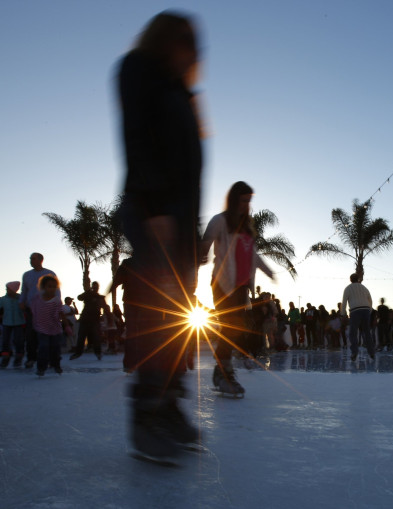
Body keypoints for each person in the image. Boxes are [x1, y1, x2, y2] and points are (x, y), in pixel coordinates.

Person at [117, 11, 204, 460]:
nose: (193, 51)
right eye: (186, 40)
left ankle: (168, 405)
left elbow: (194, 173)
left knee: (177, 321)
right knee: (158, 319)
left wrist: (193, 237)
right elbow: (136, 139)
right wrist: (153, 206)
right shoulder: (138, 69)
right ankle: (146, 413)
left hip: (181, 222)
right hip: (152, 211)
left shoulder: (182, 93)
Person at [200, 181, 275, 395]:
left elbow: (253, 255)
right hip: (223, 283)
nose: (246, 205)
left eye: (249, 201)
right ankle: (224, 372)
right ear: (234, 200)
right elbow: (207, 240)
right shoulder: (221, 221)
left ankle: (222, 370)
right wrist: (203, 251)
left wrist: (269, 271)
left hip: (242, 287)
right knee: (232, 326)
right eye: (243, 200)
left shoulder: (247, 229)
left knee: (235, 326)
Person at [19, 252, 59, 369]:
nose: (31, 261)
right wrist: (21, 301)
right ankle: (31, 358)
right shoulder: (26, 275)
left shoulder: (49, 274)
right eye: (30, 259)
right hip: (31, 309)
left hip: (47, 309)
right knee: (30, 335)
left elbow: (56, 291)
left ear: (41, 260)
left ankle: (52, 360)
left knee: (48, 334)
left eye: (33, 259)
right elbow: (24, 291)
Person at [29, 275, 70, 376]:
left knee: (55, 348)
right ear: (43, 287)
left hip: (55, 329)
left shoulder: (56, 300)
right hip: (42, 329)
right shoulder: (37, 299)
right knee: (43, 347)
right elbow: (33, 311)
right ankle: (41, 368)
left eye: (53, 287)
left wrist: (67, 326)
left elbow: (61, 313)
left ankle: (56, 365)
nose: (51, 289)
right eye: (49, 286)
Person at [340, 273, 374, 361]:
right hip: (366, 310)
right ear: (358, 279)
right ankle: (371, 352)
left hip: (355, 310)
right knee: (367, 332)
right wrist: (369, 310)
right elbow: (370, 300)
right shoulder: (364, 288)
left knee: (353, 332)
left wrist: (343, 313)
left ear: (350, 280)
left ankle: (354, 351)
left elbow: (344, 302)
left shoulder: (348, 288)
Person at [70, 282, 104, 360]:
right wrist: (87, 292)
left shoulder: (99, 297)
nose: (95, 288)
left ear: (98, 288)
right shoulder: (88, 294)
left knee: (96, 337)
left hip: (95, 320)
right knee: (81, 337)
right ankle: (78, 353)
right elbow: (79, 297)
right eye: (94, 287)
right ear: (92, 287)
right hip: (85, 320)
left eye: (96, 287)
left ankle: (98, 353)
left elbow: (103, 306)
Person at [0, 281, 25, 368]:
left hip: (19, 322)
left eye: (8, 289)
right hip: (6, 322)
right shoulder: (3, 299)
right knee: (5, 340)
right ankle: (5, 358)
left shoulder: (21, 299)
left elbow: (25, 307)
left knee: (18, 340)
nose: (7, 290)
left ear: (14, 289)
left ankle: (19, 358)